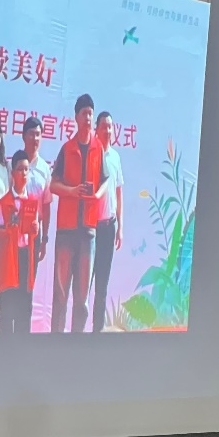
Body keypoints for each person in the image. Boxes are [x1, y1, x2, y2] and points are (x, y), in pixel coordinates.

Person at [50, 94, 106, 333]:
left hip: (88, 232)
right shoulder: (67, 149)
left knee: (82, 297)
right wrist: (72, 191)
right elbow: (53, 185)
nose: (88, 118)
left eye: (91, 114)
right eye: (84, 113)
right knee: (61, 293)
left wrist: (98, 194)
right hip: (66, 231)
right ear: (76, 117)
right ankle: (55, 342)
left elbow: (105, 180)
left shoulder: (98, 148)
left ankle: (76, 343)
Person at [0, 151, 42, 334]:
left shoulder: (32, 202)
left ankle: (23, 346)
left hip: (25, 257)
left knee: (24, 306)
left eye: (26, 170)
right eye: (20, 169)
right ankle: (5, 347)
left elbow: (34, 231)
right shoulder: (4, 202)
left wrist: (35, 229)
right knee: (8, 306)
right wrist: (9, 229)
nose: (24, 173)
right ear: (13, 173)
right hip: (9, 259)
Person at [92, 111, 125, 332]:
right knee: (85, 285)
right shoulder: (92, 155)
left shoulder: (115, 157)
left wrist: (120, 227)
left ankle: (97, 332)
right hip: (91, 229)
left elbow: (119, 193)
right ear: (96, 129)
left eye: (110, 127)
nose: (107, 130)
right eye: (104, 126)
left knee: (102, 286)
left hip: (109, 227)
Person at [21, 116, 54, 274]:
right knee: (12, 281)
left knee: (29, 279)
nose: (35, 139)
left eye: (38, 135)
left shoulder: (44, 169)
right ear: (23, 136)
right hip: (15, 229)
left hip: (35, 230)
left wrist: (44, 238)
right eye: (31, 134)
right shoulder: (14, 164)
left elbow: (46, 206)